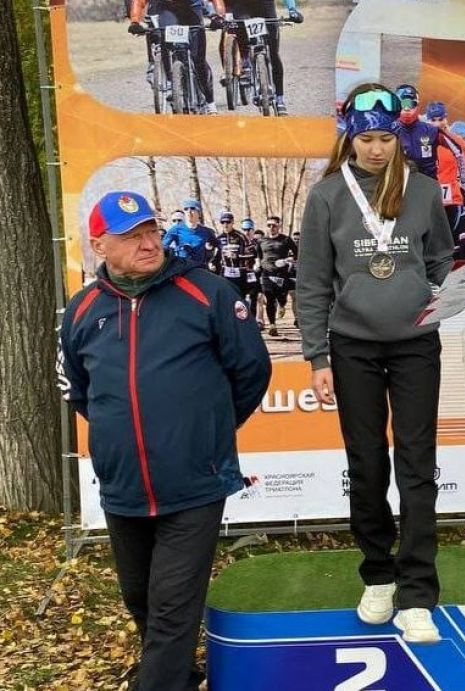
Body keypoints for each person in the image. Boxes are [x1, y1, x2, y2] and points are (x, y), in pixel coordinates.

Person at [297, 83, 465, 643]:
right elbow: (312, 282)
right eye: (366, 139)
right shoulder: (327, 196)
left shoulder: (424, 190)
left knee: (416, 465)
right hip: (352, 346)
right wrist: (317, 355)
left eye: (385, 138)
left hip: (415, 344)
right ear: (350, 138)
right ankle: (378, 575)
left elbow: (437, 262)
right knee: (366, 465)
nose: (376, 149)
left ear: (399, 139)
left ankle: (417, 593)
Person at [59, 191, 270, 691]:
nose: (149, 243)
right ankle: (180, 673)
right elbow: (79, 390)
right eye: (131, 236)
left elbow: (251, 371)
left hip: (195, 482)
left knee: (174, 605)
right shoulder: (82, 309)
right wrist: (120, 435)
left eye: (151, 231)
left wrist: (207, 429)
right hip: (123, 486)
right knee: (142, 599)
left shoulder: (208, 292)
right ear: (99, 245)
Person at [127, 0, 224, 114]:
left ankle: (210, 103)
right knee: (165, 38)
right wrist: (135, 21)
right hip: (167, 8)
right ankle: (171, 82)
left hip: (192, 8)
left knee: (198, 59)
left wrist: (218, 16)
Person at [221, 0, 303, 114]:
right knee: (240, 25)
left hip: (265, 5)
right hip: (242, 5)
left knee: (274, 54)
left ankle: (280, 99)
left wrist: (292, 10)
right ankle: (245, 62)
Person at [426, 102, 465, 259]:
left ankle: (453, 269)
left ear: (446, 118)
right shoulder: (423, 141)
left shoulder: (456, 141)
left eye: (440, 119)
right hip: (429, 198)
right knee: (432, 241)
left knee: (452, 239)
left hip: (452, 199)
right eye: (433, 120)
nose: (437, 124)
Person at [256, 212, 296, 336]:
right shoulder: (261, 241)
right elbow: (259, 256)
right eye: (269, 225)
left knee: (281, 298)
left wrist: (287, 260)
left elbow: (297, 253)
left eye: (274, 225)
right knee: (269, 298)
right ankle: (272, 325)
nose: (271, 228)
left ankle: (282, 304)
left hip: (281, 273)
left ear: (279, 226)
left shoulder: (286, 239)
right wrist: (258, 265)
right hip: (267, 273)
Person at [392, 84, 440, 179]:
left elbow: (459, 150)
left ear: (417, 105)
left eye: (411, 104)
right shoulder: (390, 132)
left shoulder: (432, 130)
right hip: (400, 182)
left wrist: (463, 179)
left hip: (428, 182)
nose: (407, 109)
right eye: (403, 104)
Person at [163, 198, 218, 266]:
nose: (189, 211)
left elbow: (218, 246)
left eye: (192, 208)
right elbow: (163, 247)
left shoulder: (206, 231)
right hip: (182, 268)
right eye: (186, 209)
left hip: (200, 268)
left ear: (199, 213)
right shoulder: (176, 229)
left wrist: (211, 259)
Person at [214, 211, 256, 298]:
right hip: (225, 272)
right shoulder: (219, 238)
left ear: (232, 222)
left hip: (240, 272)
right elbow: (216, 256)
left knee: (240, 297)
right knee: (227, 297)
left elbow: (251, 254)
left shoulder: (241, 236)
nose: (225, 225)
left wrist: (236, 255)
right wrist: (212, 263)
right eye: (223, 222)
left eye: (228, 222)